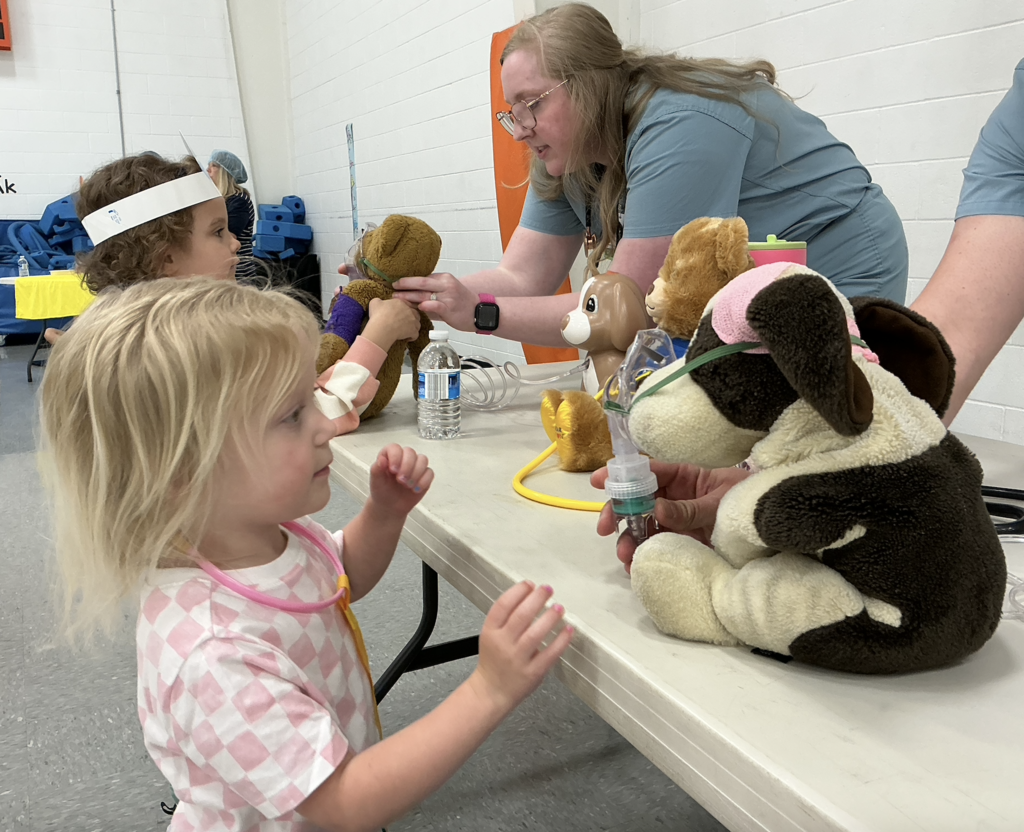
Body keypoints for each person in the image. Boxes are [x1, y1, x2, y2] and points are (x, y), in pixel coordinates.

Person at [39, 278, 574, 831]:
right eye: (292, 415)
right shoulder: (212, 654)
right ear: (181, 474)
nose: (328, 424)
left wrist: (383, 515)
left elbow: (337, 579)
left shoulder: (267, 536)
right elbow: (341, 802)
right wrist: (487, 690)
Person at [594, 57, 1024, 571]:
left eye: (535, 104)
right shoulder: (1014, 130)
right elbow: (936, 357)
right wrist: (783, 475)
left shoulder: (688, 117)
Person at [387, 3, 908, 346]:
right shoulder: (562, 152)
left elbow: (628, 305)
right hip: (750, 276)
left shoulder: (679, 122)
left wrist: (483, 315)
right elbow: (521, 278)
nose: (519, 128)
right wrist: (423, 293)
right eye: (511, 110)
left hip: (839, 257)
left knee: (816, 420)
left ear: (589, 87)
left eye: (531, 104)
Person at [208, 149, 258, 281]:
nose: (208, 171)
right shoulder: (222, 200)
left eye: (213, 166)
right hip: (227, 269)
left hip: (239, 272)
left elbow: (228, 236)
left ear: (225, 172)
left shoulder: (239, 200)